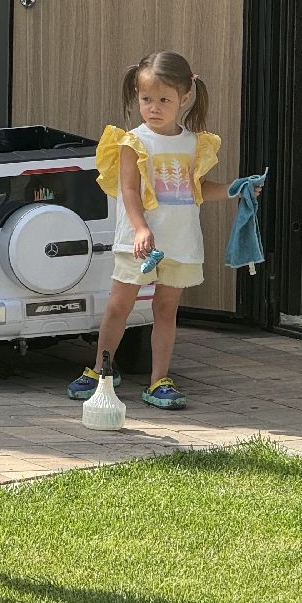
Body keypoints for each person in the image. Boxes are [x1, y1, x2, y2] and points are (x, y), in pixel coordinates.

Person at [66, 51, 238, 411]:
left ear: (184, 98)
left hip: (178, 241)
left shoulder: (194, 144)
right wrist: (141, 228)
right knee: (119, 306)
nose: (154, 107)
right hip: (137, 242)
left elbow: (196, 189)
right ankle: (101, 370)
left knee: (166, 309)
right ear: (137, 97)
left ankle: (159, 379)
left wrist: (234, 190)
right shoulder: (132, 142)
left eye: (164, 100)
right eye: (146, 99)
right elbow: (129, 190)